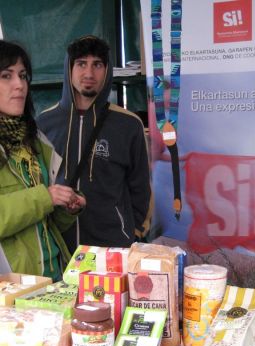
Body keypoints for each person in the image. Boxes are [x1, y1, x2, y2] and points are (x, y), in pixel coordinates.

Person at [36, 35, 151, 253]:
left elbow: (141, 186)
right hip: (60, 248)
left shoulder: (128, 124)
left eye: (97, 64)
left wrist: (133, 233)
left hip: (113, 247)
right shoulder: (44, 123)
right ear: (69, 68)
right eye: (81, 64)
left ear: (107, 70)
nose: (89, 74)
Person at [0, 40, 86, 280]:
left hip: (54, 277)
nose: (19, 85)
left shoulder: (36, 140)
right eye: (6, 76)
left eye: (23, 75)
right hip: (12, 288)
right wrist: (45, 197)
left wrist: (65, 208)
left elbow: (44, 224)